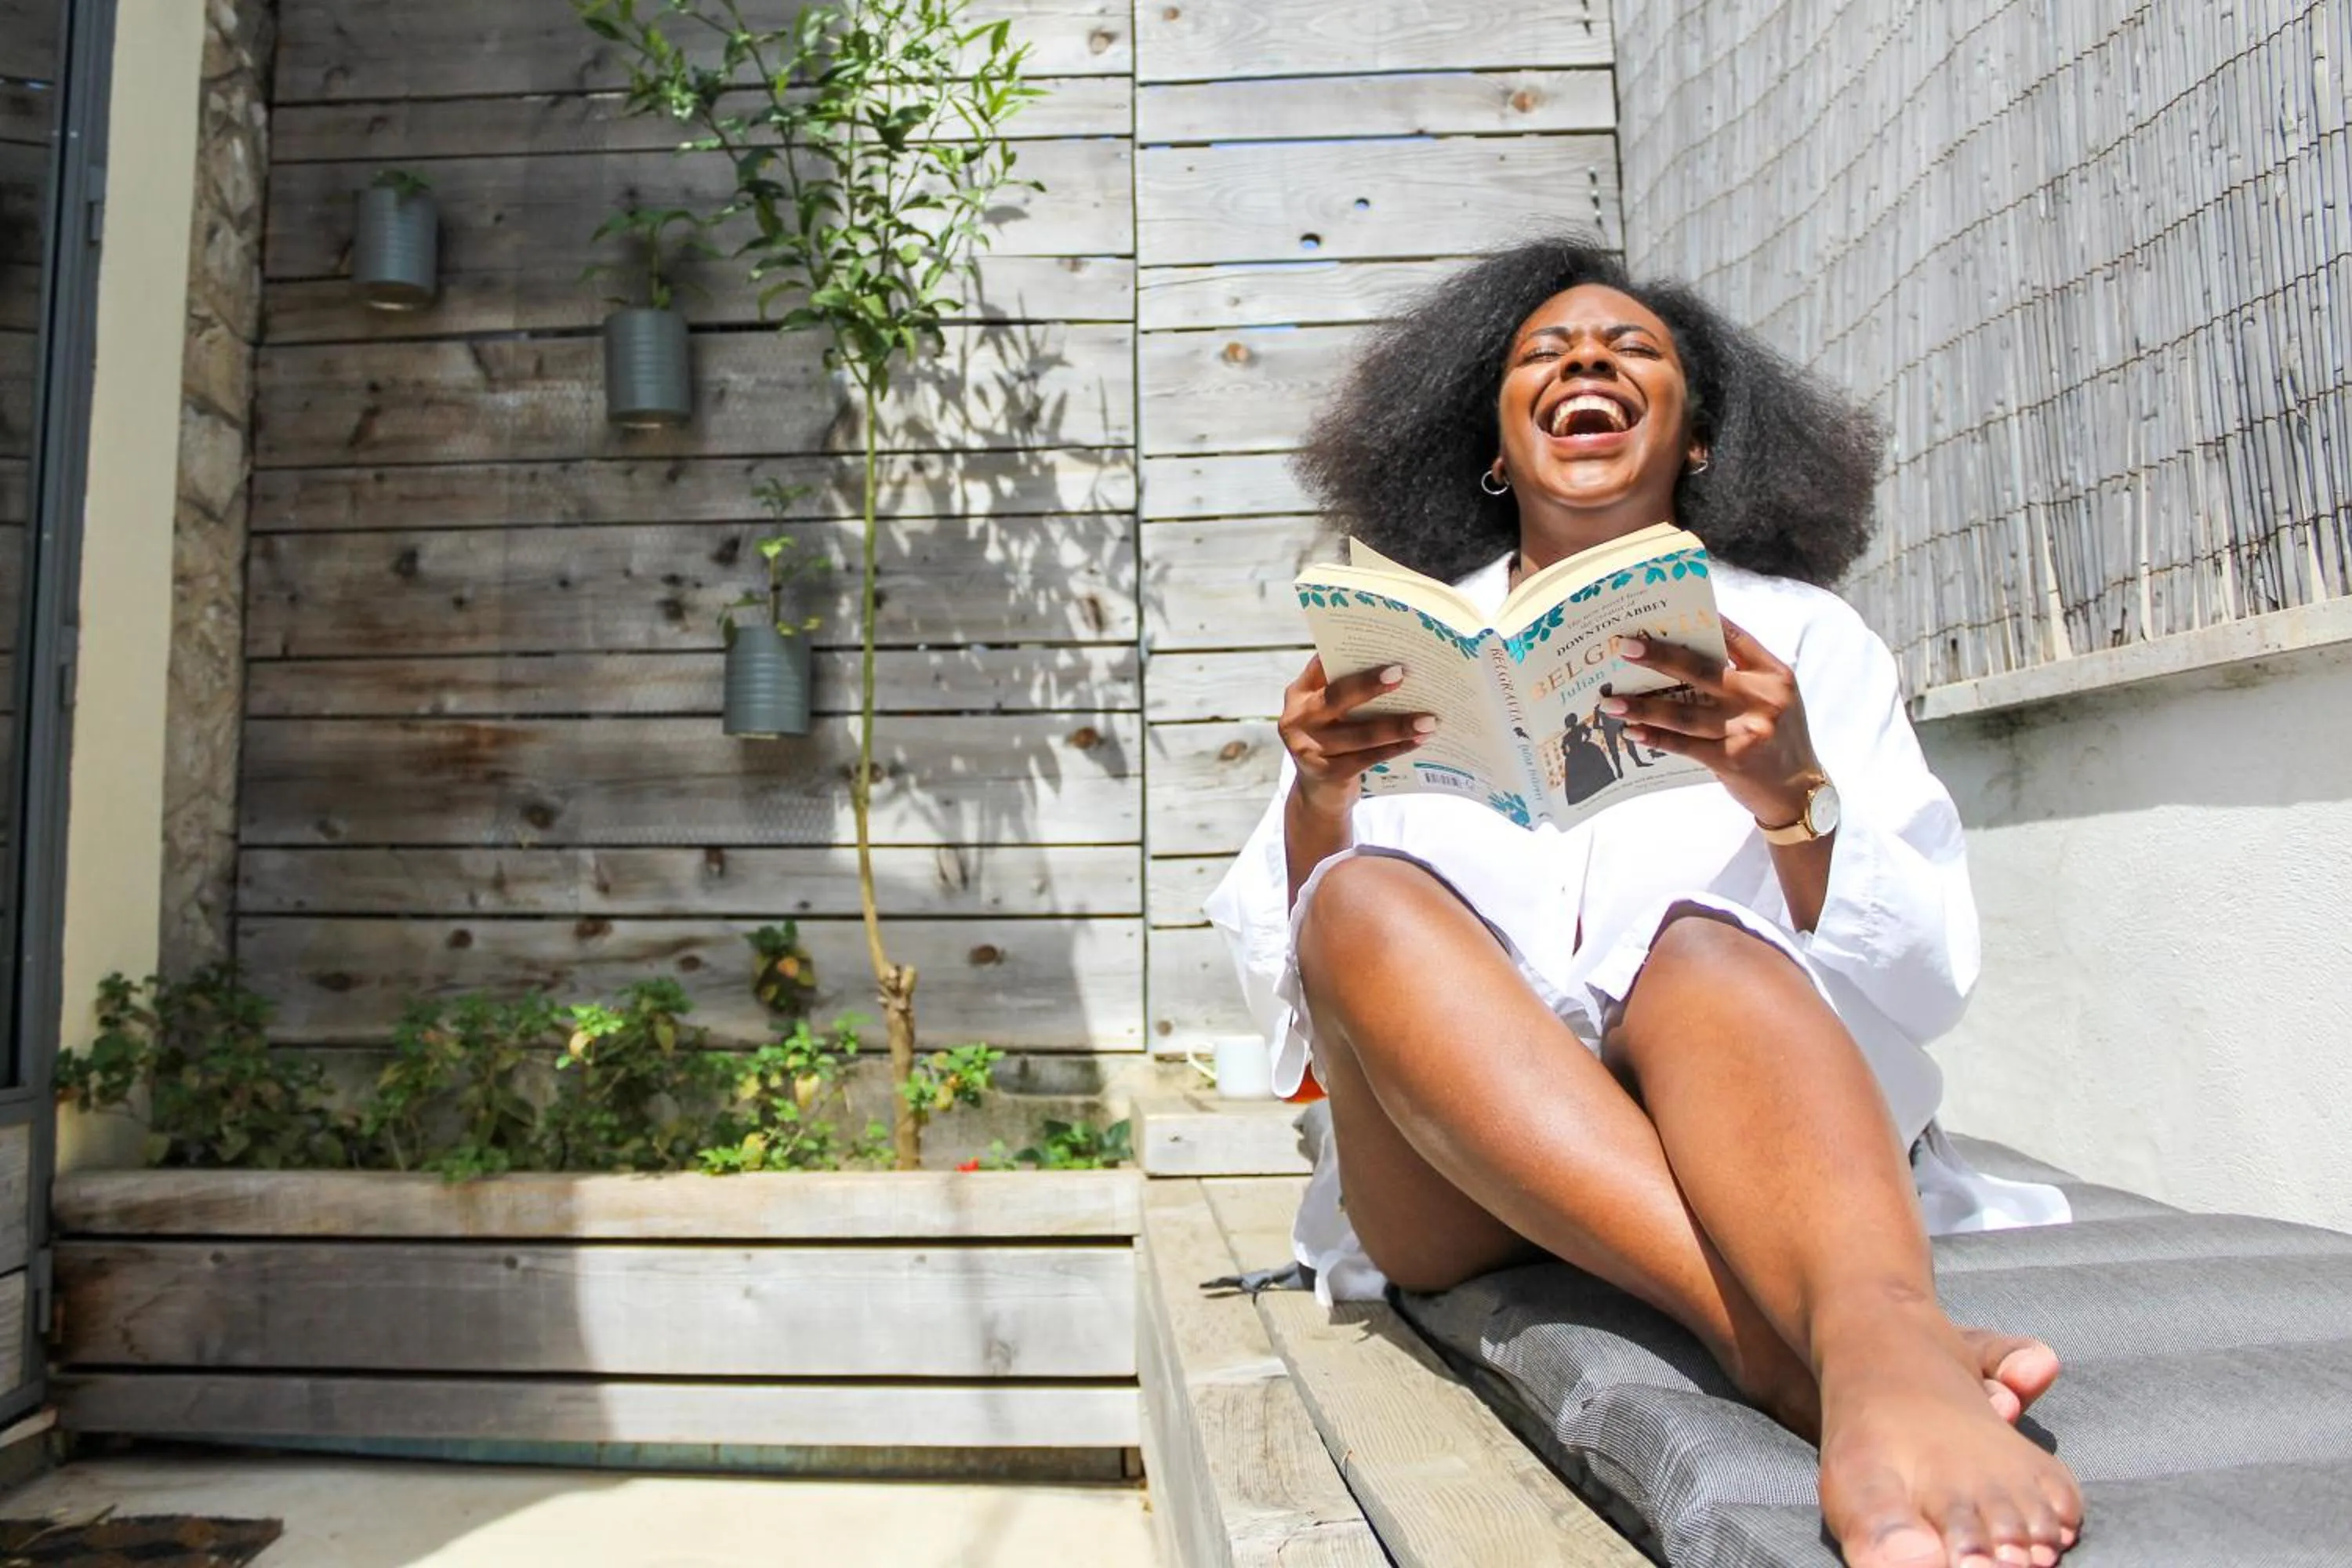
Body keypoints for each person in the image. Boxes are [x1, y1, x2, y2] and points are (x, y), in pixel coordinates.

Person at [1206, 236, 2084, 1568]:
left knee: (1703, 945)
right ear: (1495, 446)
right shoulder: (1396, 642)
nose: (1585, 362)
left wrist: (1789, 794)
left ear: (1701, 441)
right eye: (1542, 353)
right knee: (1357, 903)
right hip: (1461, 1170)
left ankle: (1868, 1338)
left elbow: (1924, 977)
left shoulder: (1802, 641)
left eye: (1633, 350)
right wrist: (1322, 801)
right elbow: (1303, 1011)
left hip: (1755, 1147)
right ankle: (1817, 1361)